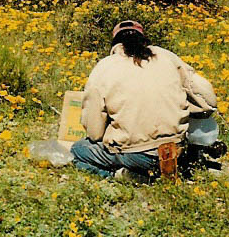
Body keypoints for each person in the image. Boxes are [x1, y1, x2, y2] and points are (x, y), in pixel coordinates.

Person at [71, 20, 217, 181]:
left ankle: (120, 175)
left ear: (115, 44)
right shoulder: (166, 56)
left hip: (137, 155)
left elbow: (94, 133)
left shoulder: (105, 66)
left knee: (78, 150)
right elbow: (207, 98)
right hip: (176, 150)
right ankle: (173, 167)